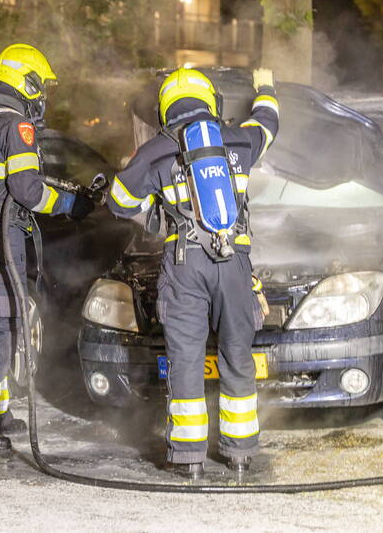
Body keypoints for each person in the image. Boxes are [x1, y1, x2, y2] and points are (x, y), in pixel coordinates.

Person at [106, 67, 279, 479]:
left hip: (185, 264)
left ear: (167, 108)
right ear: (210, 102)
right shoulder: (238, 138)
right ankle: (239, 454)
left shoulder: (156, 151)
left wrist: (153, 216)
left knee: (185, 359)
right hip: (234, 263)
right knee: (237, 355)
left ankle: (188, 458)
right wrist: (266, 88)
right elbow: (269, 124)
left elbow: (118, 200)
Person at [0, 43, 94, 452]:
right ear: (24, 80)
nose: (42, 95)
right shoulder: (16, 126)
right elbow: (28, 191)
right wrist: (68, 205)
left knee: (0, 325)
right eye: (39, 85)